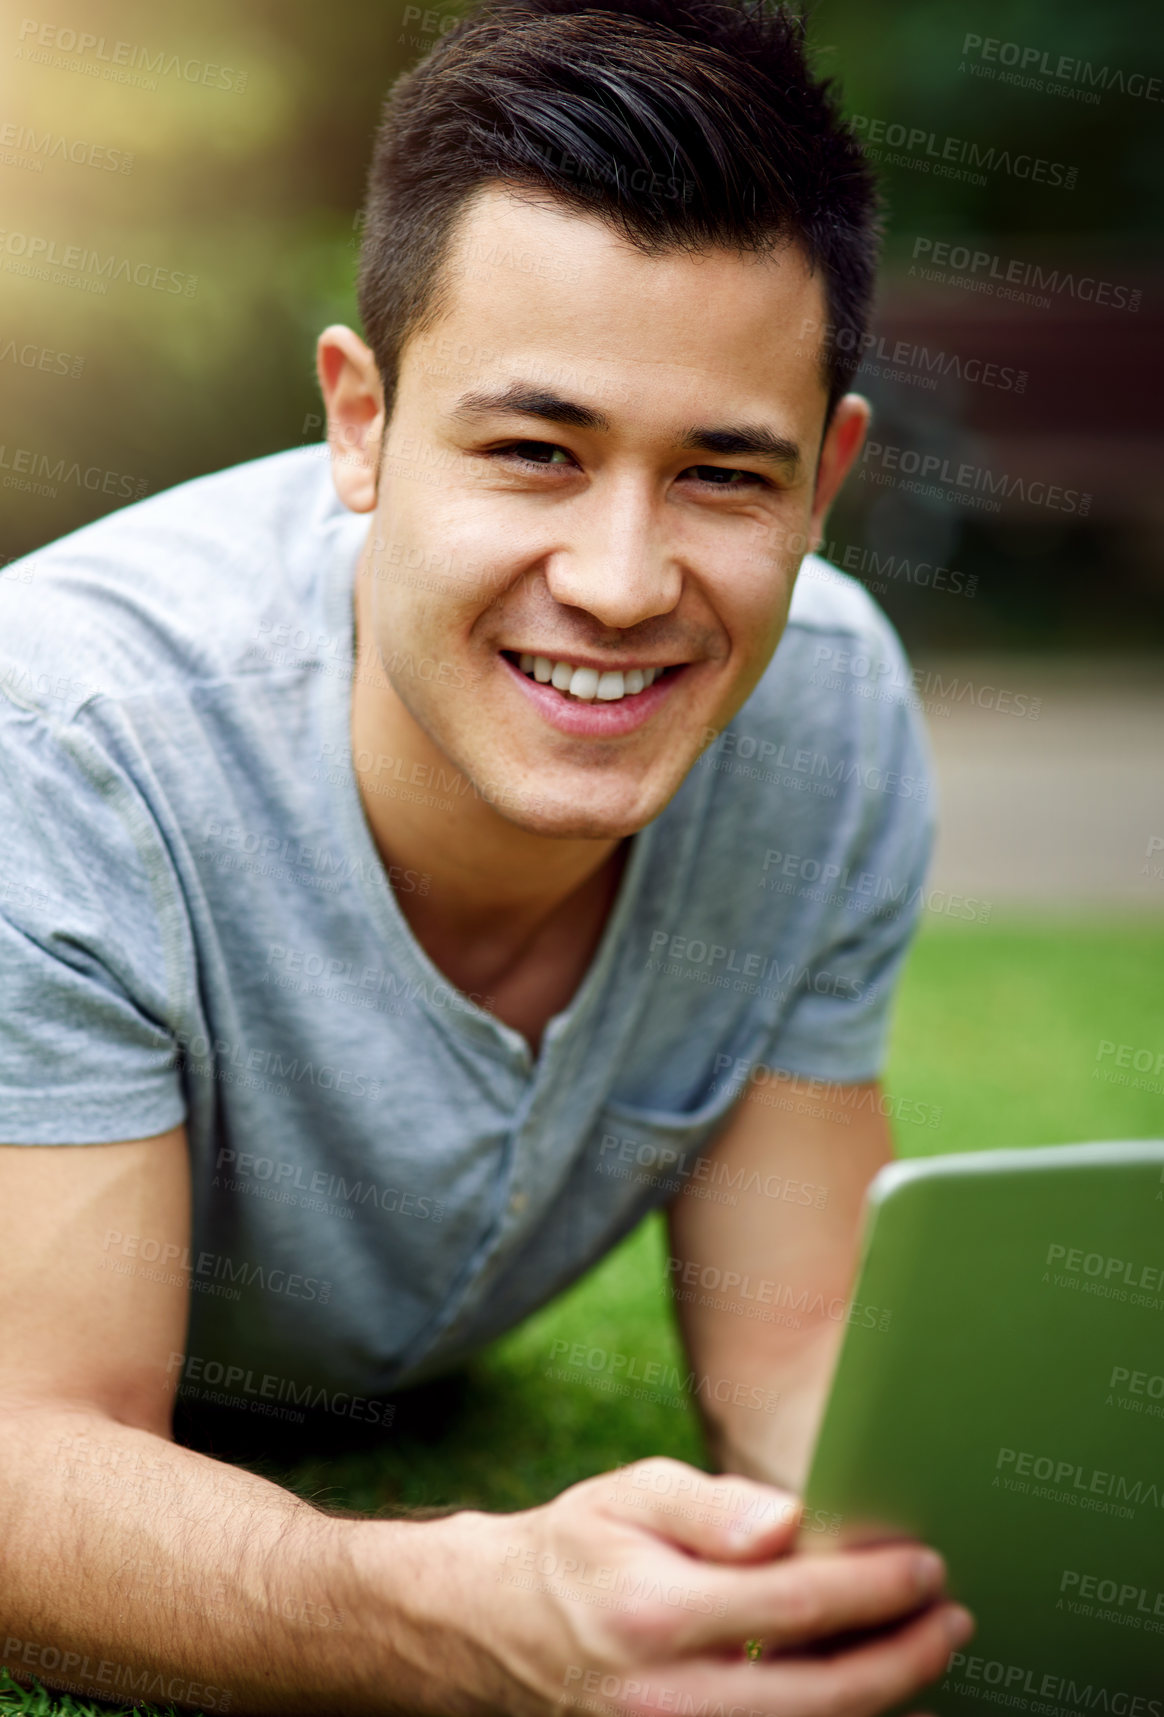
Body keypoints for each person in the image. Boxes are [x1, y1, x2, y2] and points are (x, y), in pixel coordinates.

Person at [0, 0, 975, 1710]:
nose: (618, 578)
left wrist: (920, 1552)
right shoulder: (62, 735)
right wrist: (438, 1612)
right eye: (537, 449)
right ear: (360, 421)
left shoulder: (827, 713)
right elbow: (30, 1454)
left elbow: (800, 1349)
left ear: (826, 481)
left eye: (723, 475)